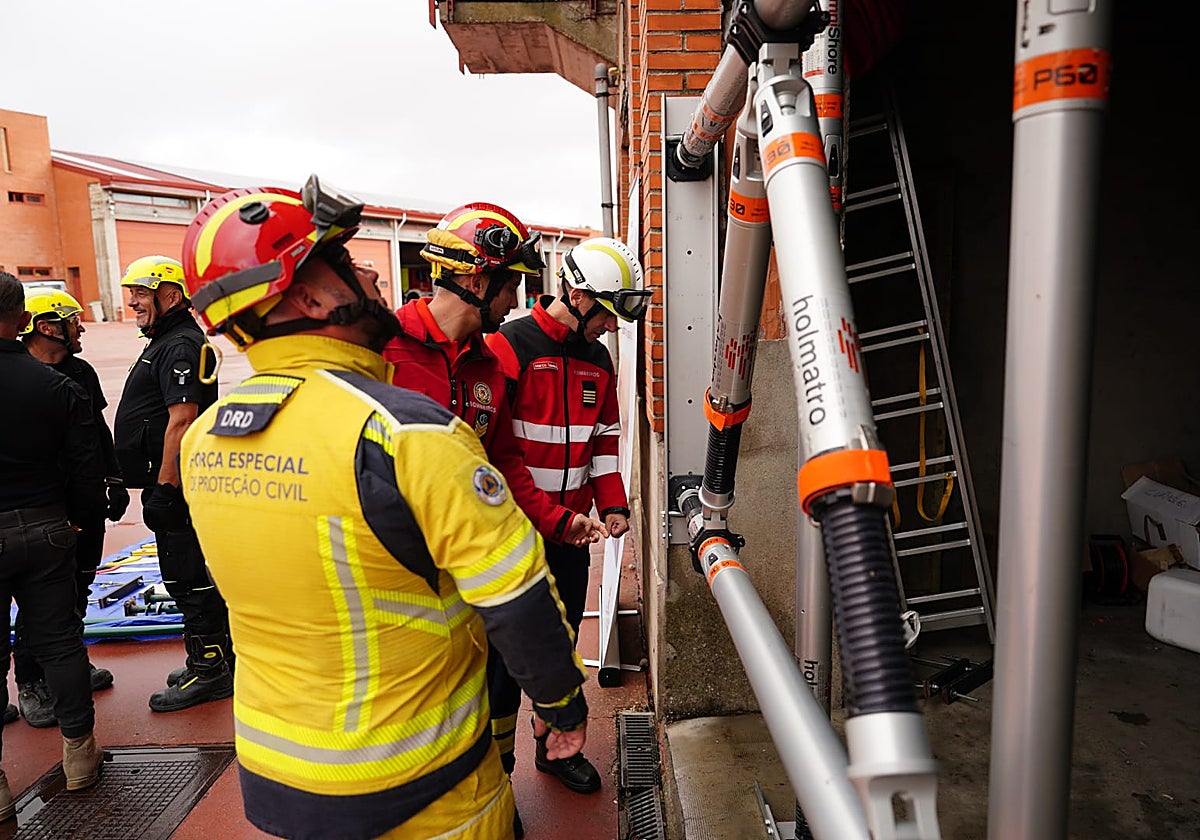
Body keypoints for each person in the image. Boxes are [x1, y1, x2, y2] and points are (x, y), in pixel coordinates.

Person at [176, 176, 590, 840]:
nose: (370, 271)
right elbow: (516, 595)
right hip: (420, 785)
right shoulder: (406, 432)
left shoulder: (206, 438)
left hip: (281, 781)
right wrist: (564, 703)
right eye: (343, 261)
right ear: (309, 297)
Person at [381, 203, 607, 820]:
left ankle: (497, 788)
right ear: (475, 280)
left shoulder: (488, 364)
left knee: (497, 680)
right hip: (401, 578)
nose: (514, 302)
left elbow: (505, 463)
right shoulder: (383, 346)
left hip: (472, 566)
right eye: (509, 287)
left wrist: (559, 522)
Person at [487, 236, 650, 790]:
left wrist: (613, 504)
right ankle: (497, 774)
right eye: (605, 313)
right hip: (511, 532)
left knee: (560, 646)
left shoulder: (598, 360)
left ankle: (553, 751)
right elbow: (493, 449)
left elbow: (604, 440)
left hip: (572, 535)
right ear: (577, 297)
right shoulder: (509, 346)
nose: (610, 326)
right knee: (504, 660)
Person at [0, 271, 106, 816]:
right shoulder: (57, 386)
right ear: (23, 321)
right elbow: (85, 468)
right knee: (61, 641)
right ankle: (79, 754)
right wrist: (79, 522)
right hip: (47, 525)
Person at [112, 255, 230, 712]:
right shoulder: (167, 340)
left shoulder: (179, 345)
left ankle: (210, 670)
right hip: (174, 484)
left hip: (178, 487)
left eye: (141, 293)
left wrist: (165, 488)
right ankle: (214, 657)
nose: (133, 303)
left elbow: (182, 420)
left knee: (186, 577)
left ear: (171, 295)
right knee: (186, 573)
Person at [11, 290, 127, 729]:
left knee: (78, 587)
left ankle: (69, 666)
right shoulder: (23, 377)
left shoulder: (80, 372)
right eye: (72, 320)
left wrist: (113, 480)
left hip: (84, 504)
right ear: (46, 327)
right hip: (44, 508)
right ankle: (32, 682)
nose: (81, 328)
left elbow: (97, 431)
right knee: (38, 601)